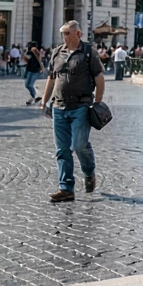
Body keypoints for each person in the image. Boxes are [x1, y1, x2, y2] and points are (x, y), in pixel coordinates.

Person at [42, 21, 105, 202]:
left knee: (79, 145)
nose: (65, 37)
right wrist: (45, 102)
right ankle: (66, 188)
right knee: (62, 150)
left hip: (81, 106)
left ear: (78, 33)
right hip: (59, 107)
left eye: (68, 33)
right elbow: (52, 78)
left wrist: (98, 102)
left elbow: (99, 77)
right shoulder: (57, 52)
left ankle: (89, 172)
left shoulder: (88, 52)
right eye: (63, 34)